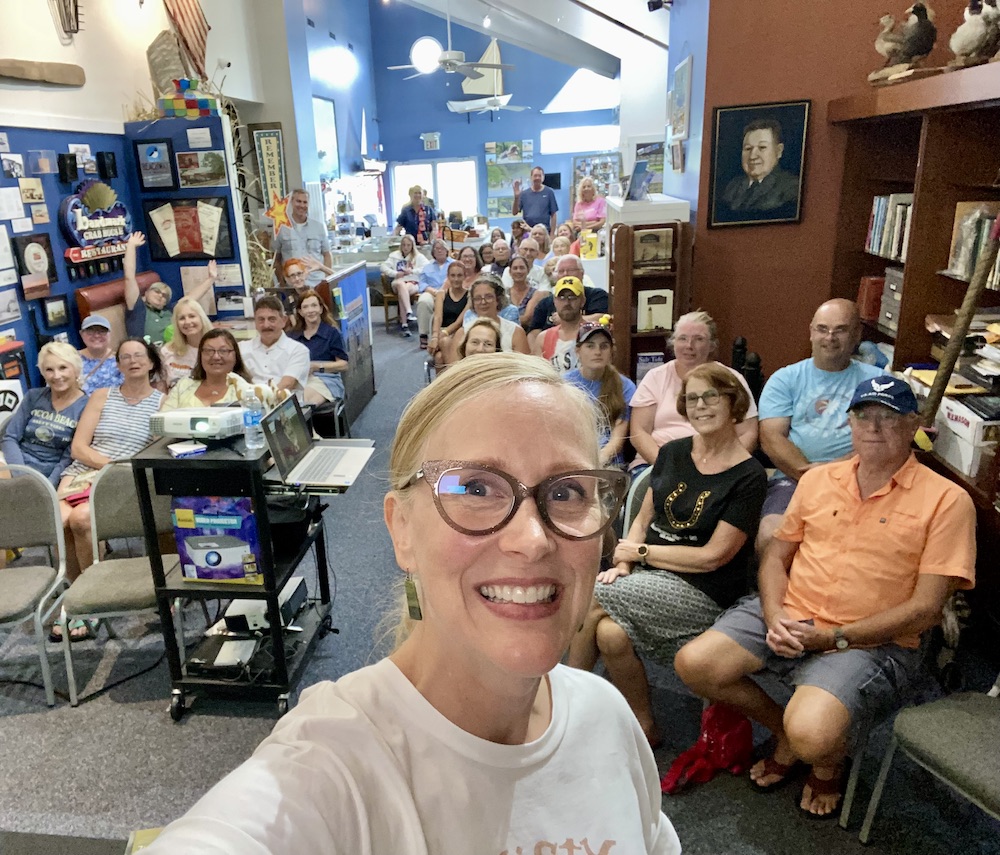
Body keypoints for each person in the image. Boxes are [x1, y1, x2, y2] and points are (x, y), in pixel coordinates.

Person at [138, 353, 680, 855]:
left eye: (565, 492)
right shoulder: (333, 765)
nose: (533, 540)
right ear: (402, 531)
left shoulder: (607, 718)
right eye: (475, 488)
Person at [675, 376, 976, 818]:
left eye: (889, 418)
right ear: (849, 424)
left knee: (813, 731)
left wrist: (833, 638)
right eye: (864, 416)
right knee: (695, 664)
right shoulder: (818, 480)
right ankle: (791, 737)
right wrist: (775, 615)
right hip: (791, 609)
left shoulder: (948, 501)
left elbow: (926, 608)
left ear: (913, 424)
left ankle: (822, 754)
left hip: (872, 640)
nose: (874, 427)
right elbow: (776, 558)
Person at [569, 363, 766, 743]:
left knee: (592, 594)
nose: (700, 405)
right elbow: (643, 518)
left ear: (733, 403)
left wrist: (639, 553)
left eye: (711, 396)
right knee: (610, 635)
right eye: (692, 398)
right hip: (649, 574)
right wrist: (624, 562)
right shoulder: (673, 453)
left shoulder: (749, 475)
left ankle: (561, 704)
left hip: (704, 590)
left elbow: (714, 556)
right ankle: (644, 724)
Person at [756, 299, 885, 549]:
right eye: (823, 329)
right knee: (771, 535)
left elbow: (883, 439)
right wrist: (811, 475)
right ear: (811, 332)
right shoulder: (785, 379)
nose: (830, 337)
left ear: (857, 334)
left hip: (862, 480)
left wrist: (832, 475)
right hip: (794, 479)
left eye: (841, 329)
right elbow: (772, 439)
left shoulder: (878, 382)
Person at [58, 338, 164, 588]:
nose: (133, 361)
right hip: (82, 473)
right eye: (125, 357)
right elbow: (78, 447)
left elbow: (156, 454)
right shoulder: (101, 396)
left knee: (81, 519)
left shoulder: (162, 403)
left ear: (151, 363)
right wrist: (107, 465)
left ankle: (93, 591)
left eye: (139, 355)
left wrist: (113, 471)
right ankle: (74, 591)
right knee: (60, 520)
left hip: (122, 478)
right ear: (118, 366)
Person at [630, 311, 759, 475]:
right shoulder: (655, 377)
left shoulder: (731, 379)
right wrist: (666, 465)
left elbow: (748, 432)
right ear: (673, 343)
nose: (689, 345)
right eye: (682, 338)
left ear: (712, 345)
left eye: (699, 339)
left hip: (720, 467)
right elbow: (639, 431)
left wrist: (721, 466)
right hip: (656, 464)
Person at [2, 342, 88, 486]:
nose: (56, 376)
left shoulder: (87, 406)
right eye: (49, 369)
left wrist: (48, 486)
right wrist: (20, 475)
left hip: (51, 473)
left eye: (63, 368)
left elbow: (69, 456)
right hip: (18, 465)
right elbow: (10, 437)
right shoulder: (33, 396)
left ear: (76, 369)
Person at [564, 323, 637, 467]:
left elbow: (617, 440)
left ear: (611, 351)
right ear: (578, 350)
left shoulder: (625, 386)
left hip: (609, 463)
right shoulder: (564, 384)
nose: (597, 352)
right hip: (573, 458)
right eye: (590, 346)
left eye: (604, 346)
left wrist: (596, 464)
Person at [123, 232, 216, 345]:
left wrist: (211, 279)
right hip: (146, 354)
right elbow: (129, 277)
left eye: (165, 296)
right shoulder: (137, 309)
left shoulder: (169, 311)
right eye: (157, 291)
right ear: (146, 293)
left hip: (174, 353)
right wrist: (131, 246)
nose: (160, 296)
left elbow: (190, 298)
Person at [720, 119, 800, 216]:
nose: (752, 156)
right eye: (748, 148)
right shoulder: (732, 187)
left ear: (779, 151)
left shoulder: (791, 187)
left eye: (762, 147)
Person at [161, 330, 254, 410]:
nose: (216, 357)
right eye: (209, 351)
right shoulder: (183, 385)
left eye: (223, 351)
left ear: (235, 355)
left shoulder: (247, 390)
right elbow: (162, 421)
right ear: (200, 355)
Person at [527, 255, 607, 348]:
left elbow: (602, 318)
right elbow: (533, 332)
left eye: (571, 270)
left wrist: (567, 320)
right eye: (561, 271)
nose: (565, 274)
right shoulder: (545, 303)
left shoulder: (597, 295)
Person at [239, 296, 310, 397]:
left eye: (272, 319)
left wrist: (255, 398)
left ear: (284, 320)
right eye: (261, 320)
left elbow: (286, 385)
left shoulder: (298, 351)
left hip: (283, 407)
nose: (266, 325)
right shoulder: (242, 349)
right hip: (248, 407)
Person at [288, 289, 349, 404]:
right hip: (298, 378)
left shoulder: (332, 333)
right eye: (305, 307)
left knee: (304, 399)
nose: (310, 310)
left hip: (326, 379)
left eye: (314, 306)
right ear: (300, 312)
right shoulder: (293, 335)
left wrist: (316, 366)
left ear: (321, 309)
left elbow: (344, 365)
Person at [451, 277, 528, 363]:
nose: (483, 302)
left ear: (498, 299)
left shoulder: (516, 332)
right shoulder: (462, 333)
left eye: (488, 297)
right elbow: (455, 369)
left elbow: (524, 369)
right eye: (478, 298)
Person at [273, 188, 333, 289]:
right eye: (298, 201)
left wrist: (326, 279)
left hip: (317, 284)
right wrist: (282, 283)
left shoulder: (318, 227)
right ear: (292, 202)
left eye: (305, 202)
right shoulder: (281, 228)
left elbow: (327, 254)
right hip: (293, 285)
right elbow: (276, 258)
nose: (301, 205)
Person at [158, 289, 215, 388]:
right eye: (182, 318)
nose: (187, 322)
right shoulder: (167, 351)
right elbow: (161, 386)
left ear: (202, 318)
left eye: (192, 316)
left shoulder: (217, 349)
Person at [532, 276, 587, 375]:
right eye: (561, 298)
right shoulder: (543, 338)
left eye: (572, 297)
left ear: (582, 301)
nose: (567, 302)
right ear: (554, 301)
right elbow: (537, 377)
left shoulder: (594, 333)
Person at [428, 261, 471, 367]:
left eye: (459, 275)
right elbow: (438, 317)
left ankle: (453, 379)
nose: (456, 279)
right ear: (448, 277)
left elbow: (459, 322)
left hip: (460, 333)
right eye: (453, 275)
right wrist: (435, 337)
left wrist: (443, 334)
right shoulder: (441, 294)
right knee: (439, 358)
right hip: (441, 332)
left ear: (465, 276)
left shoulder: (470, 295)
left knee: (444, 344)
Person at [77, 314, 123, 395]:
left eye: (102, 331)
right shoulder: (72, 359)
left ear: (110, 334)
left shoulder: (120, 360)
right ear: (81, 334)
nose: (96, 335)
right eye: (90, 331)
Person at [512, 166, 558, 233]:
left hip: (544, 232)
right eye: (535, 175)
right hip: (527, 231)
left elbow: (553, 215)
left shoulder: (549, 192)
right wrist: (516, 198)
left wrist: (552, 234)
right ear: (531, 177)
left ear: (543, 177)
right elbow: (514, 212)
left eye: (539, 176)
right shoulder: (524, 194)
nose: (537, 178)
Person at [504, 256, 545, 328]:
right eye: (515, 268)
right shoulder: (503, 293)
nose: (518, 271)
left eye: (522, 268)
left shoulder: (535, 293)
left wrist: (504, 321)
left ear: (528, 270)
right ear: (510, 272)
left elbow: (527, 318)